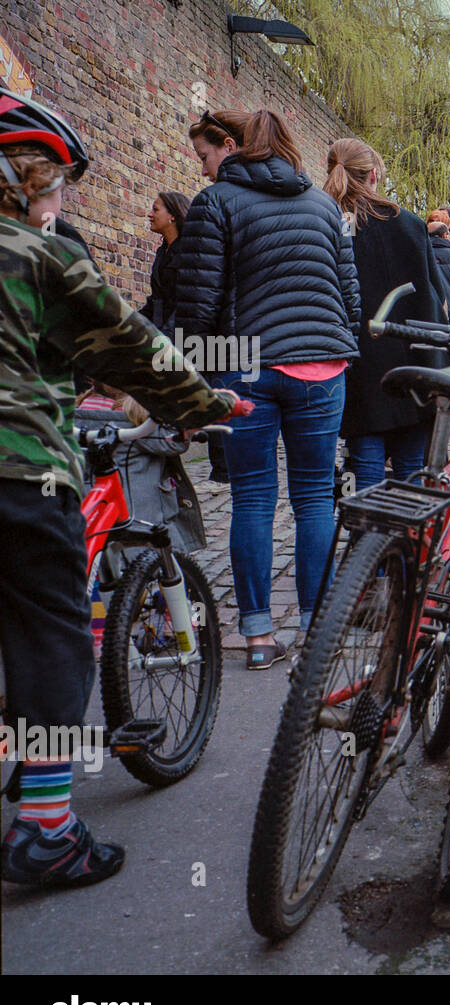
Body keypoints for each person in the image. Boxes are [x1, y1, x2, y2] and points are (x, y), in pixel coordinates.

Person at [0, 88, 236, 887]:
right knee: (53, 641)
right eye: (55, 183)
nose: (61, 199)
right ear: (19, 180)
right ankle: (47, 827)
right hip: (18, 470)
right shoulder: (38, 253)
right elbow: (130, 346)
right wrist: (205, 403)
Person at [176, 108, 360, 669]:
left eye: (207, 155)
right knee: (313, 501)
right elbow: (350, 297)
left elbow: (201, 305)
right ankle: (316, 633)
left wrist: (189, 383)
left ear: (234, 148)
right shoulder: (326, 205)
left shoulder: (216, 203)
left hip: (248, 367)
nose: (206, 167)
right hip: (323, 369)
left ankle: (257, 636)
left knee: (253, 498)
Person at [324, 137, 449, 492]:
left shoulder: (330, 225)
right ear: (374, 175)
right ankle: (406, 544)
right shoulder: (408, 224)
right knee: (411, 468)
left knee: (365, 468)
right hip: (411, 359)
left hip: (358, 360)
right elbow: (434, 299)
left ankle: (367, 543)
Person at [140, 191, 190, 334]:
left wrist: (166, 339)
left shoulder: (189, 252)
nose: (150, 214)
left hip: (182, 339)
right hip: (162, 335)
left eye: (155, 210)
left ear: (172, 215)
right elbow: (157, 300)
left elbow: (187, 303)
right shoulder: (162, 252)